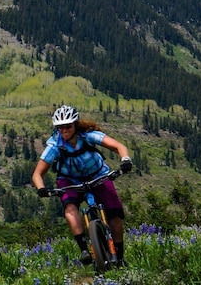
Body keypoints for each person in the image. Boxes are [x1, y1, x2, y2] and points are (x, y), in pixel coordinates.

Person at [32, 105, 133, 266]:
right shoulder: (54, 145)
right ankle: (84, 250)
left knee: (114, 214)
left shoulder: (88, 136)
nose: (64, 130)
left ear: (75, 124)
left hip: (98, 175)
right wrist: (41, 188)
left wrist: (125, 160)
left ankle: (119, 256)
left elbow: (119, 147)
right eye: (60, 127)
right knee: (70, 207)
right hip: (69, 180)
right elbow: (37, 174)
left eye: (68, 126)